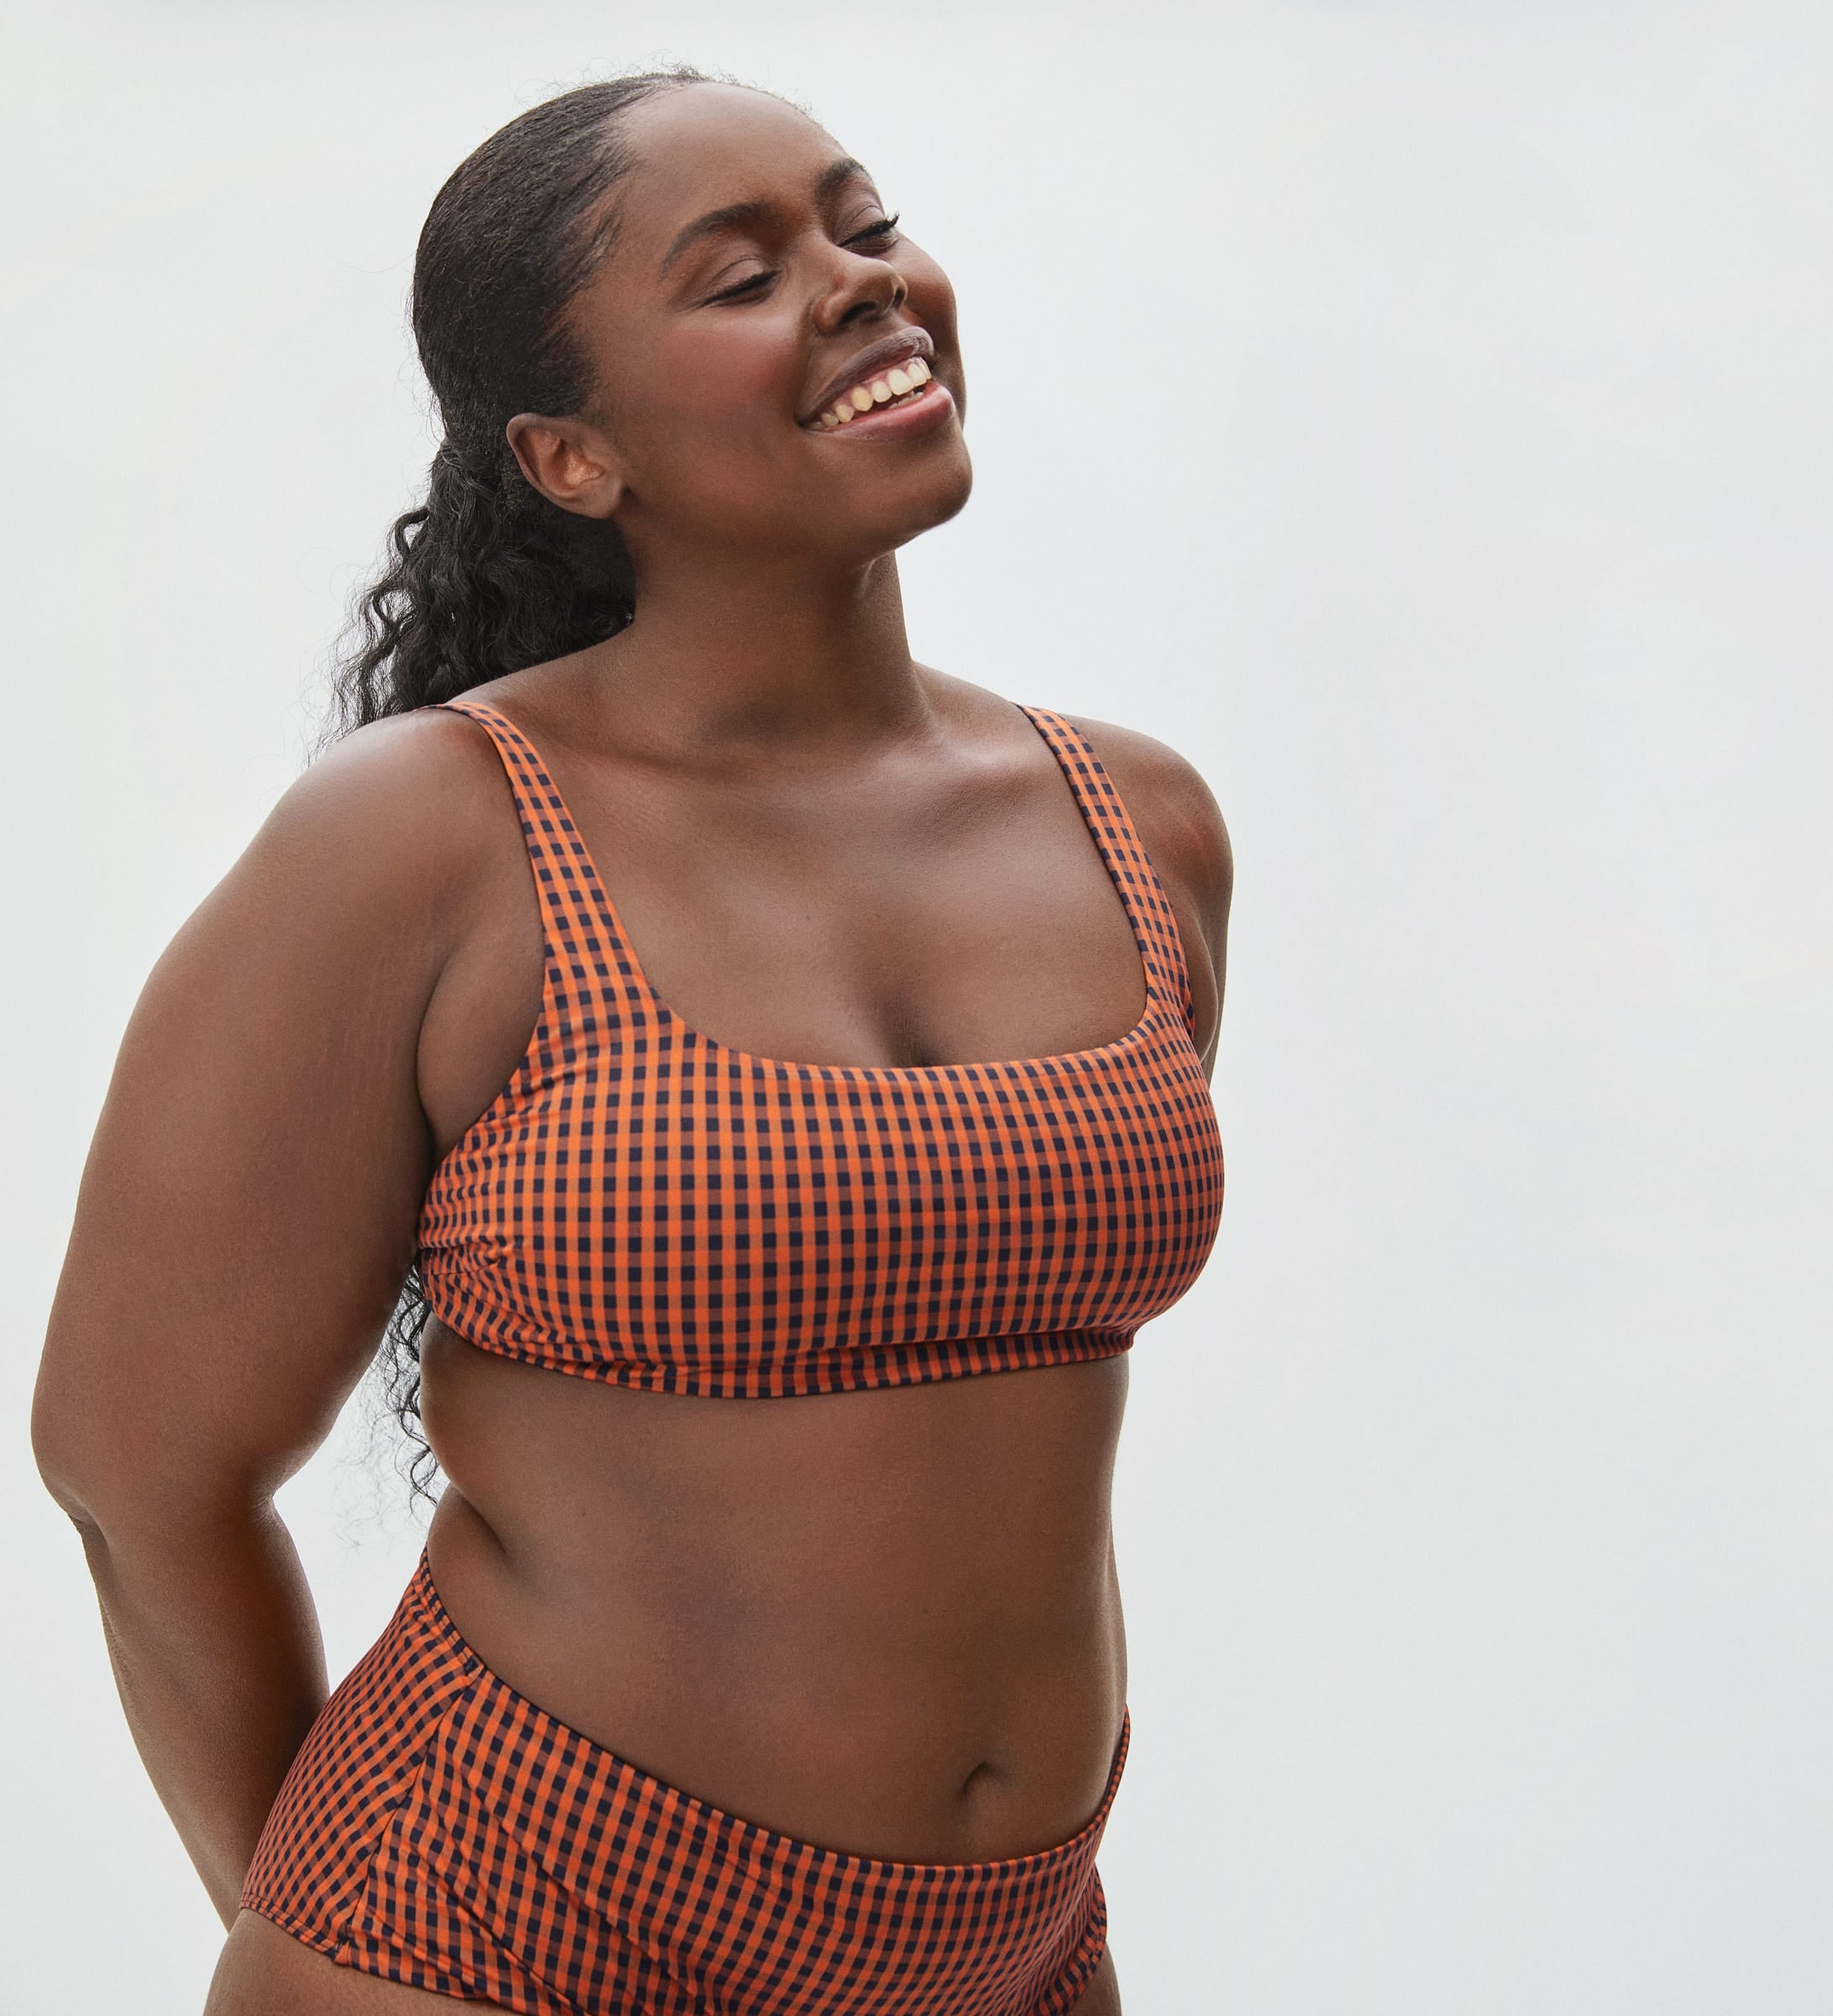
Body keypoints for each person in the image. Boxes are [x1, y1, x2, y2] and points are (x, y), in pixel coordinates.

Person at [32, 68, 1230, 2016]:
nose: (861, 282)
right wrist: (339, 1938)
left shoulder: (1139, 824)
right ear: (572, 458)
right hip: (507, 1929)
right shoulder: (428, 840)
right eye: (741, 276)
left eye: (864, 224)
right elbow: (134, 1468)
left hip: (1011, 1951)